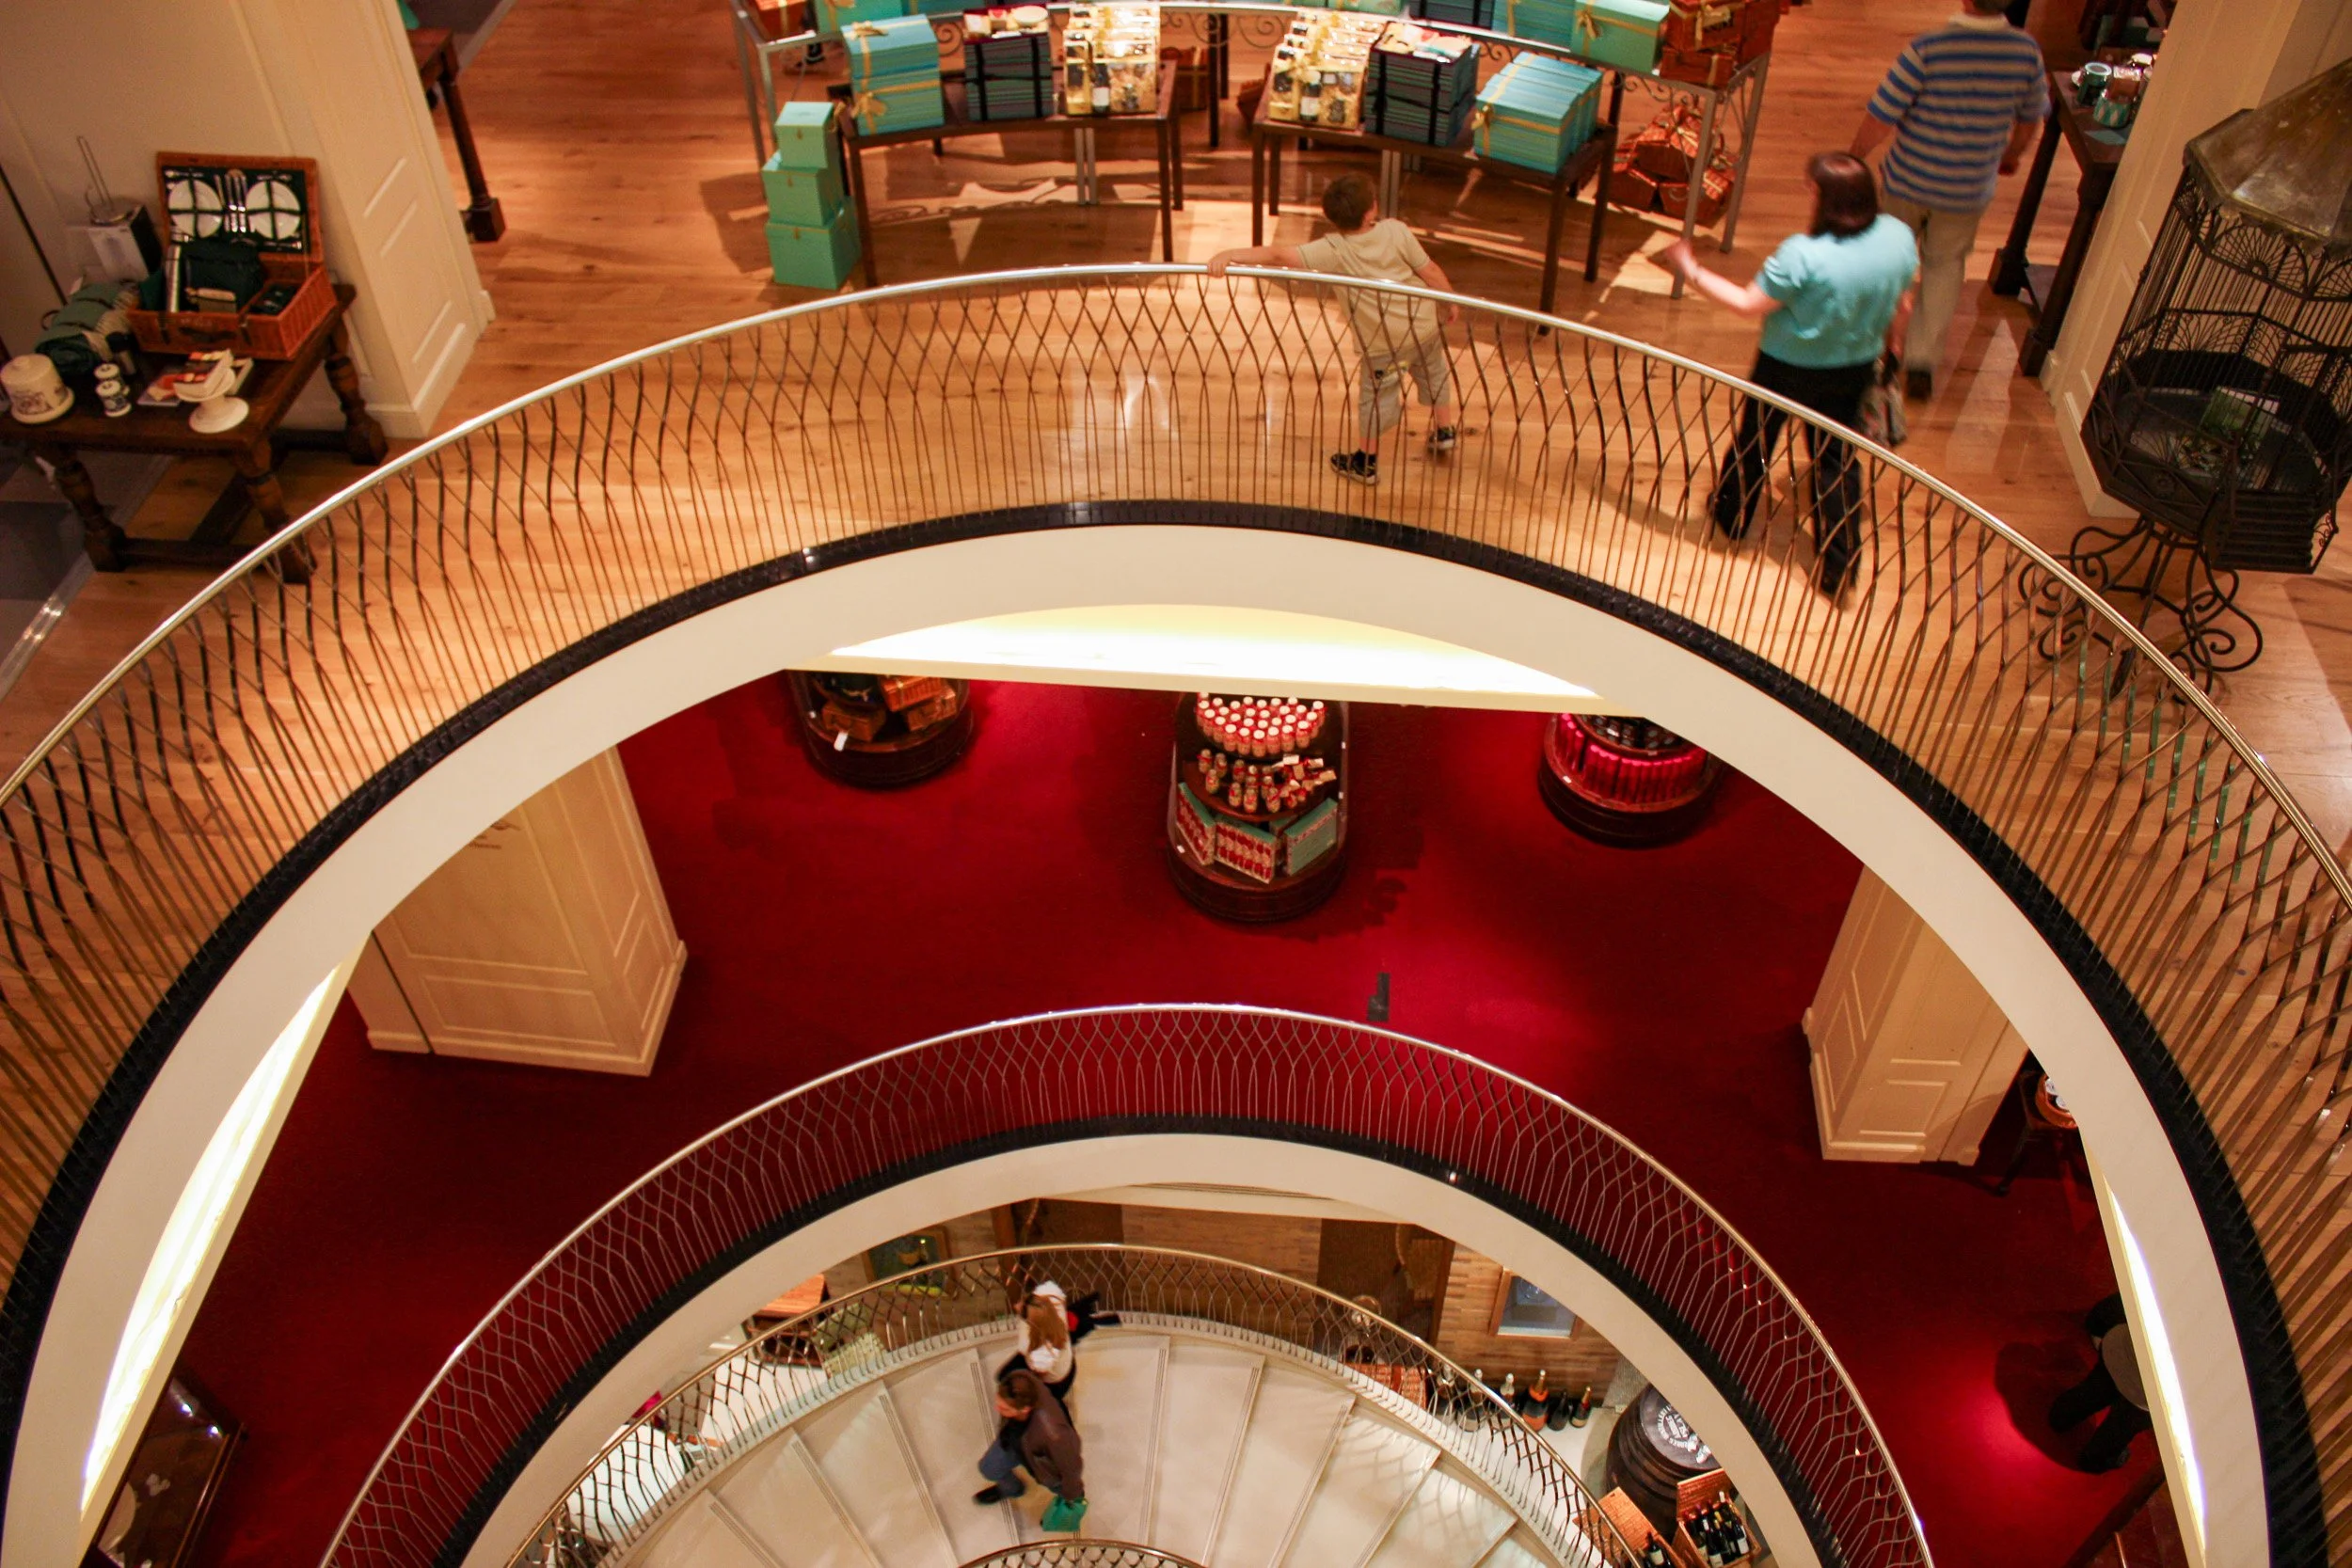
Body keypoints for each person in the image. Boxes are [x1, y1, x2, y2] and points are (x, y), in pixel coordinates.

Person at [1663, 153, 1917, 597]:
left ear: (1822, 197)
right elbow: (1904, 303)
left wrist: (1692, 269)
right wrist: (1894, 348)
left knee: (1756, 440)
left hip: (1784, 368)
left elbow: (1748, 303)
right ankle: (1841, 567)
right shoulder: (1898, 238)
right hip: (1855, 366)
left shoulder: (1803, 255)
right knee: (1836, 461)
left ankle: (1732, 517)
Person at [1207, 172, 1461, 487]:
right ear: (1372, 211)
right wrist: (1448, 300)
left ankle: (1365, 462)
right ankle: (1445, 430)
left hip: (1382, 344)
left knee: (1377, 396)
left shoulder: (1333, 249)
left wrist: (1229, 254)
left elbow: (1277, 255)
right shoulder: (1397, 231)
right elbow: (1430, 270)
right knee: (1434, 373)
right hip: (1422, 326)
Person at [1850, 0, 2048, 400]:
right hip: (1966, 191)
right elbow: (2030, 119)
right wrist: (2010, 155)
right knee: (1944, 267)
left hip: (1908, 182)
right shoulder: (2025, 54)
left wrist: (1854, 157)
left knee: (1891, 263)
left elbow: (1882, 114)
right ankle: (1921, 362)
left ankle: (1880, 351)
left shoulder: (1927, 49)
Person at [973, 1368, 1088, 1528]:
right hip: (1014, 1441)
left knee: (1066, 1492)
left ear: (1025, 1409)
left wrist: (1072, 1493)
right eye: (999, 1403)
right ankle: (1013, 1489)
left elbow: (1072, 1466)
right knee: (989, 1468)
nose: (999, 1410)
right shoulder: (1020, 1380)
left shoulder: (1055, 1435)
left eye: (1005, 1409)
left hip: (1044, 1465)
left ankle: (1062, 1510)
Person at [2049, 1293, 2151, 1473]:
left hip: (2122, 1346)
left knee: (2095, 1389)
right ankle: (2094, 1459)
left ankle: (2061, 1415)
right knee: (2121, 1425)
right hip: (2148, 1392)